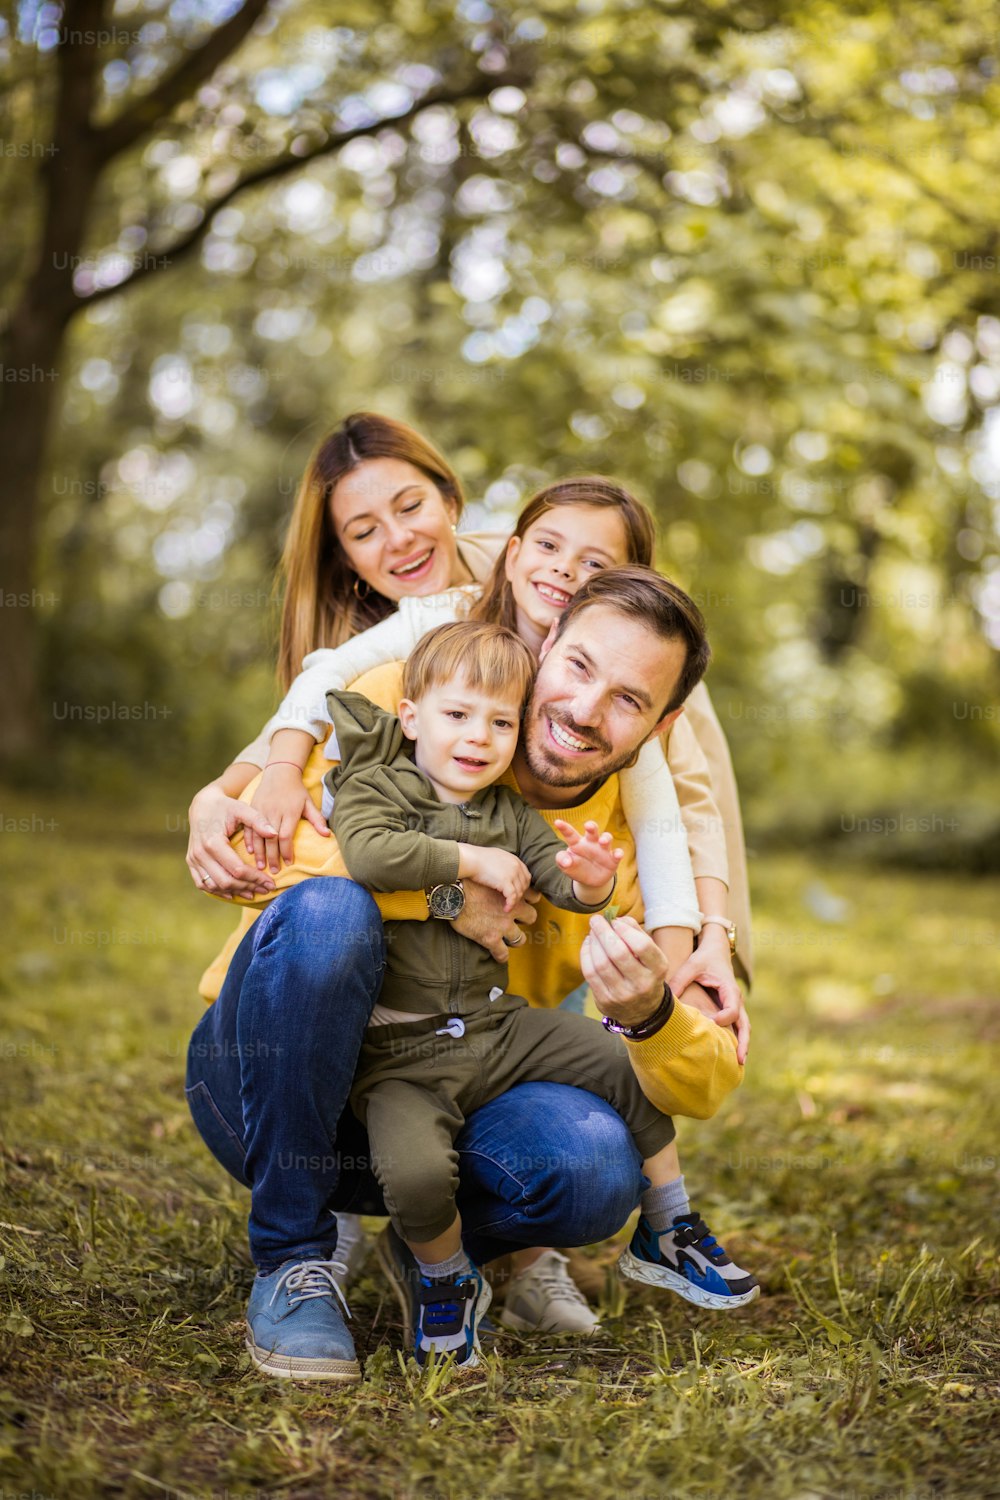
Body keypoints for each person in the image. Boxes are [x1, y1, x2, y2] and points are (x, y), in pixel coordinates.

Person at [197, 476, 752, 1336]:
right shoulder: (416, 698)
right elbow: (288, 860)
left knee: (594, 1165)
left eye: (630, 700)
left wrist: (656, 1004)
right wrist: (446, 892)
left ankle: (450, 1251)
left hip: (447, 1081)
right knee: (331, 915)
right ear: (544, 639)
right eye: (577, 667)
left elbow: (704, 1069)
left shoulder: (626, 834)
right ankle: (292, 1255)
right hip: (271, 1090)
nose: (586, 708)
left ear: (660, 725)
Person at [319, 619, 701, 1368]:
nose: (479, 736)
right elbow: (368, 853)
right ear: (412, 716)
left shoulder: (508, 811)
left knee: (625, 1063)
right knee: (418, 1171)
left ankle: (674, 1221)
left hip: (494, 1030)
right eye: (458, 715)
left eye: (500, 721)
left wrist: (589, 879)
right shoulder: (380, 785)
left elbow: (558, 880)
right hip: (400, 1050)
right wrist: (466, 863)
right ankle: (440, 1274)